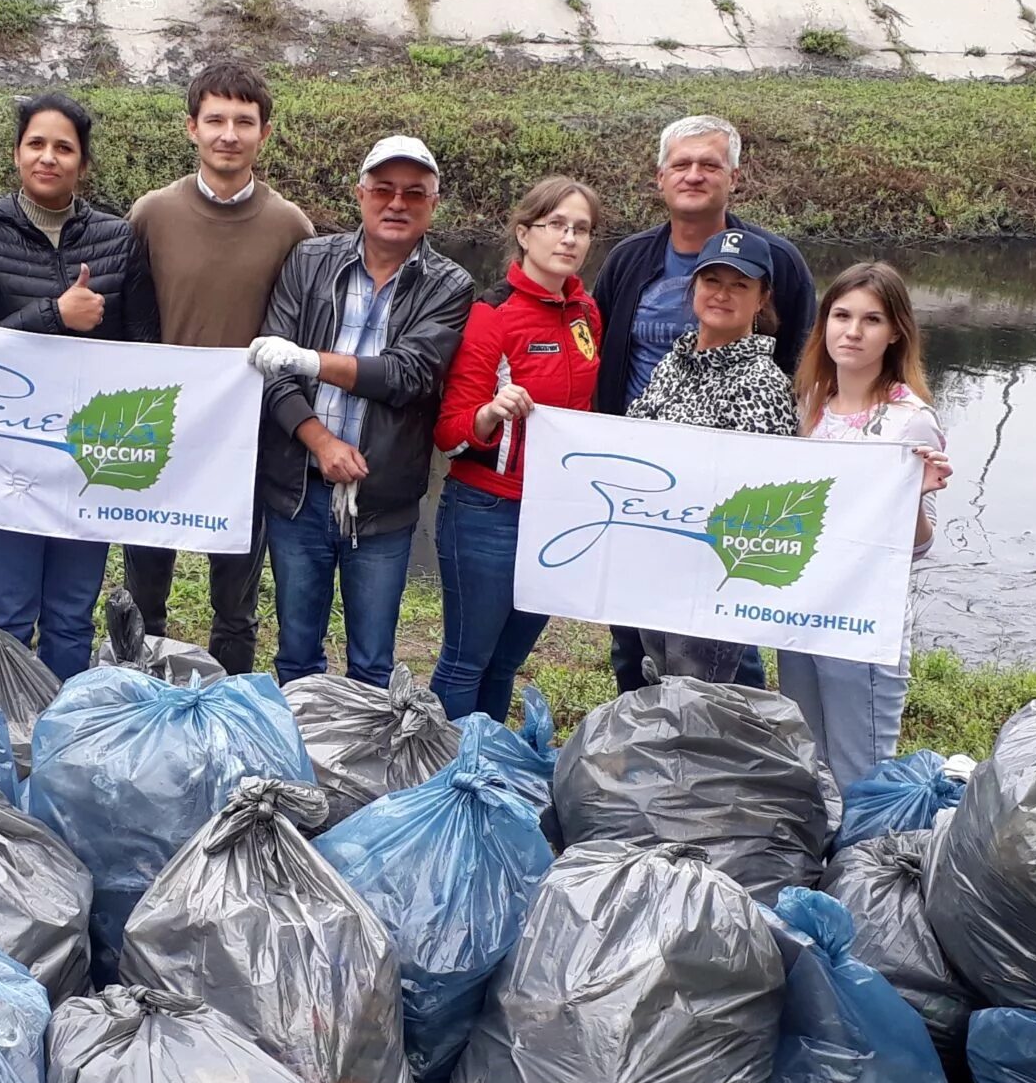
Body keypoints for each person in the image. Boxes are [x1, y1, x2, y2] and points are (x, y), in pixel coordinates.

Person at [588, 114, 818, 693]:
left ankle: (718, 760)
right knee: (635, 645)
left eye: (710, 164)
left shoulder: (778, 260)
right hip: (642, 499)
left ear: (734, 177)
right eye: (682, 164)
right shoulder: (629, 263)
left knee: (717, 660)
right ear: (660, 176)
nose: (694, 175)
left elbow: (802, 362)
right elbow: (597, 351)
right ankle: (642, 754)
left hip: (714, 527)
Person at [0, 92, 158, 681]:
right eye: (36, 144)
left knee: (70, 616)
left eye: (64, 147)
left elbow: (144, 348)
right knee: (8, 616)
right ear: (16, 154)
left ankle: (61, 738)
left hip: (85, 461)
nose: (48, 157)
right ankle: (4, 741)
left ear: (83, 164)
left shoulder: (119, 239)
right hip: (1, 456)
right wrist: (54, 314)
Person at [246, 135, 472, 688]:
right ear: (360, 194)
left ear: (433, 204)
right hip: (299, 491)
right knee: (296, 654)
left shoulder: (451, 285)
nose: (397, 203)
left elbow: (408, 375)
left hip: (382, 502)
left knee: (372, 661)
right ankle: (296, 762)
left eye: (414, 193)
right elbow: (272, 369)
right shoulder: (310, 260)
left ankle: (360, 769)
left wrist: (311, 361)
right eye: (384, 190)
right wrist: (320, 442)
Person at [121, 57, 313, 675]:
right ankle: (136, 695)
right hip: (156, 432)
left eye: (244, 121)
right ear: (191, 128)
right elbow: (131, 316)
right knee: (145, 586)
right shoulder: (150, 214)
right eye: (215, 120)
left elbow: (297, 331)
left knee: (236, 598)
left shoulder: (291, 226)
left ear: (265, 133)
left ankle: (228, 708)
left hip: (246, 439)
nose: (229, 133)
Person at [427, 176, 604, 724]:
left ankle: (486, 773)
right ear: (524, 234)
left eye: (581, 229)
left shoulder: (586, 315)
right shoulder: (492, 316)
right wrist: (490, 413)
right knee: (466, 661)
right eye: (557, 225)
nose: (569, 239)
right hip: (488, 510)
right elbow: (449, 430)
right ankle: (442, 782)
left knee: (505, 664)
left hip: (554, 514)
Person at [778, 262, 953, 789]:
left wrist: (915, 498)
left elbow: (920, 548)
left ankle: (869, 866)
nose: (852, 332)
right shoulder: (809, 404)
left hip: (861, 622)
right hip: (801, 608)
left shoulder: (911, 419)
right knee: (806, 753)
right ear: (823, 323)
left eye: (871, 320)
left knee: (861, 767)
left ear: (895, 330)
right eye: (841, 315)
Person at [625, 227, 800, 684]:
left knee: (700, 697)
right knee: (659, 681)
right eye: (712, 281)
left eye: (739, 285)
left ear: (762, 298)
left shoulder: (763, 381)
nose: (722, 294)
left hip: (712, 576)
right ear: (694, 287)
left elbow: (762, 497)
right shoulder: (673, 362)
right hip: (655, 559)